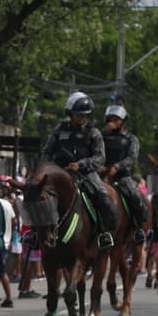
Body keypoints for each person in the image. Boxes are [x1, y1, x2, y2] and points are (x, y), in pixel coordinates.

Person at [41, 91, 116, 251]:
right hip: (59, 173)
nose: (82, 118)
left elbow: (100, 157)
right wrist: (49, 167)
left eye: (85, 115)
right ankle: (35, 234)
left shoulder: (93, 132)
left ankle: (104, 233)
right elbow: (46, 152)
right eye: (78, 114)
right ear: (70, 114)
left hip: (85, 174)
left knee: (103, 197)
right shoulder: (59, 130)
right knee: (37, 194)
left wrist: (80, 165)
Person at [101, 104, 147, 244]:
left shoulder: (131, 139)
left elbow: (132, 158)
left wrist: (118, 166)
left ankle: (139, 229)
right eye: (110, 119)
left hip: (122, 177)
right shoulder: (100, 137)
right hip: (101, 174)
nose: (112, 122)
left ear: (123, 121)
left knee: (136, 199)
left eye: (116, 119)